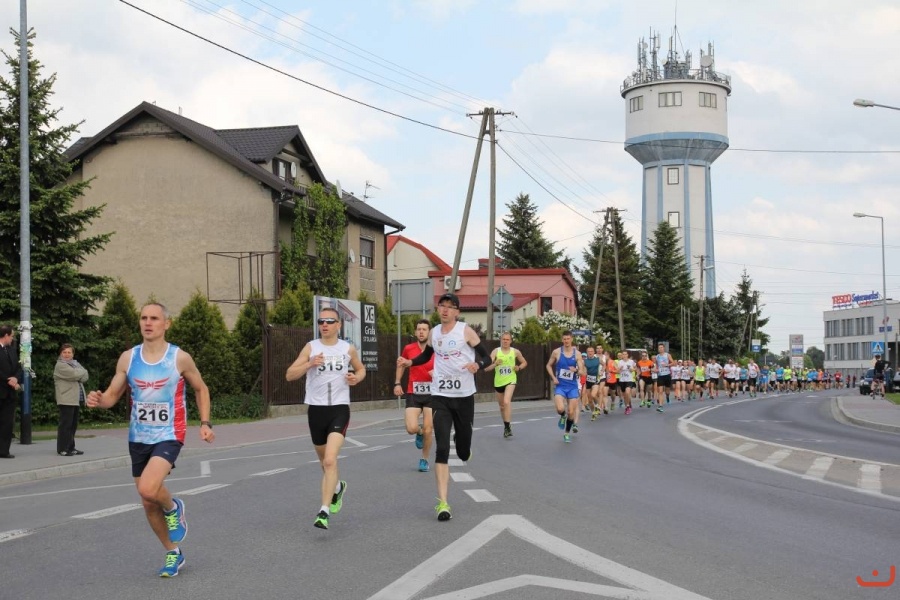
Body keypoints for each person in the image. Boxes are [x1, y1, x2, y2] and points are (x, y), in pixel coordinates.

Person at [86, 303, 215, 577]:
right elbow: (112, 396)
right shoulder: (128, 358)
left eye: (154, 318)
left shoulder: (179, 357)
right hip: (138, 436)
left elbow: (201, 388)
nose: (148, 322)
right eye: (144, 318)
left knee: (148, 488)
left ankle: (174, 506)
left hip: (169, 434)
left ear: (166, 324)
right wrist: (98, 401)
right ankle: (173, 552)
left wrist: (205, 423)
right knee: (147, 501)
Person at [397, 293, 490, 521]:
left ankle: (463, 443)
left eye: (450, 307)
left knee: (463, 451)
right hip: (440, 396)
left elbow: (487, 358)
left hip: (464, 396)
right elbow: (426, 355)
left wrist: (477, 365)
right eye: (442, 306)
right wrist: (410, 362)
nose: (445, 310)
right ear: (438, 309)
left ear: (457, 311)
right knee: (442, 448)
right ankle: (443, 503)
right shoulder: (435, 333)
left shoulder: (466, 331)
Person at [286, 306, 365, 530]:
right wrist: (309, 363)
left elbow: (361, 370)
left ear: (339, 325)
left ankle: (324, 511)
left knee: (330, 460)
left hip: (339, 409)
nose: (324, 325)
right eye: (321, 321)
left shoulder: (347, 348)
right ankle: (338, 488)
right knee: (324, 462)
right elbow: (289, 375)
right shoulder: (311, 347)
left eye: (329, 321)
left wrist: (356, 378)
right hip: (316, 410)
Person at [394, 319, 435, 471]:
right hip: (413, 392)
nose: (421, 332)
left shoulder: (436, 349)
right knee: (411, 428)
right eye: (419, 329)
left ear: (429, 332)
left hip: (432, 393)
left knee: (429, 429)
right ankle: (419, 432)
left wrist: (436, 374)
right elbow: (401, 364)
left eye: (424, 329)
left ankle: (424, 459)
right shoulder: (409, 348)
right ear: (415, 332)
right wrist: (397, 383)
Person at [484, 332, 527, 438]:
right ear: (501, 340)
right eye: (504, 339)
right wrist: (495, 364)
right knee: (502, 406)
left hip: (511, 380)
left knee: (506, 401)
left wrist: (519, 368)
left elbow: (524, 362)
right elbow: (486, 368)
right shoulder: (496, 351)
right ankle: (506, 425)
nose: (505, 341)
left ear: (511, 341)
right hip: (498, 382)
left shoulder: (515, 352)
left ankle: (507, 427)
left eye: (507, 339)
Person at [546, 331, 585, 442]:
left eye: (568, 339)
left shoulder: (577, 354)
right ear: (562, 340)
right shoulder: (556, 352)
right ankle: (563, 416)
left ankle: (567, 433)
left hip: (572, 387)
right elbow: (548, 365)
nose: (566, 341)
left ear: (571, 339)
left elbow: (582, 371)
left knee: (571, 412)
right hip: (560, 386)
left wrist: (576, 370)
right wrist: (553, 378)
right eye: (564, 339)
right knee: (560, 408)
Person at [54, 343, 89, 457]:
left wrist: (81, 372)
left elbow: (85, 377)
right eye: (64, 352)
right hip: (66, 399)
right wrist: (82, 371)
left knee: (72, 425)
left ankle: (70, 447)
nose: (67, 354)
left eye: (69, 352)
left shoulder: (75, 364)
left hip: (75, 399)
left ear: (73, 354)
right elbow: (74, 374)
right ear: (60, 353)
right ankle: (62, 449)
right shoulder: (60, 365)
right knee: (65, 425)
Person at [0, 325, 22, 459]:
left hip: (10, 393)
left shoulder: (12, 350)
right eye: (12, 336)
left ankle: (4, 450)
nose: (12, 338)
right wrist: (7, 379)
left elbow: (18, 367)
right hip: (1, 388)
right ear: (6, 335)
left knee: (7, 423)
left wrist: (15, 378)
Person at [654, 343, 673, 409]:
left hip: (667, 374)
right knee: (660, 391)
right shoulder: (657, 357)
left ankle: (667, 396)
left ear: (664, 348)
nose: (660, 349)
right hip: (660, 375)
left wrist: (667, 365)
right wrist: (656, 370)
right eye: (659, 348)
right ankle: (660, 406)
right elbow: (657, 365)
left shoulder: (667, 355)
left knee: (667, 391)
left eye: (661, 347)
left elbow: (673, 363)